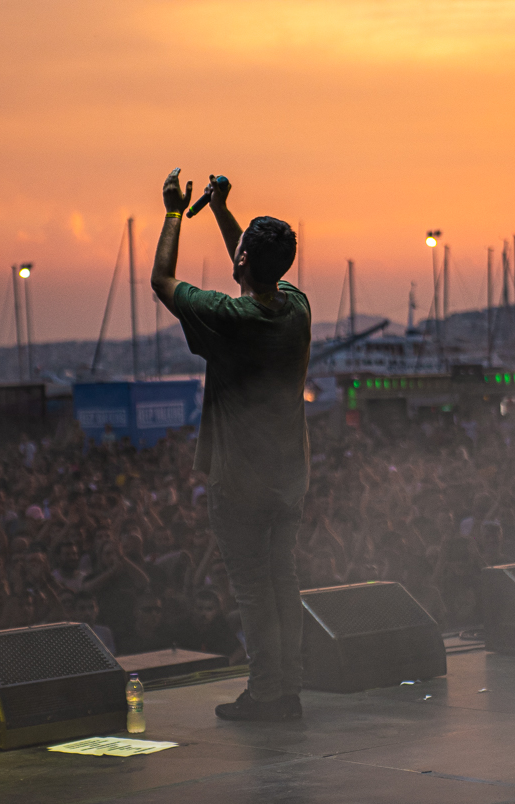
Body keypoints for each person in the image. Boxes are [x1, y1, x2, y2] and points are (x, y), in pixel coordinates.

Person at [151, 168, 311, 721]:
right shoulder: (297, 307)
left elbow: (162, 280)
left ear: (242, 259)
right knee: (283, 581)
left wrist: (175, 213)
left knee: (254, 590)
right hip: (290, 478)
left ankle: (265, 695)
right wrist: (221, 211)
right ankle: (288, 690)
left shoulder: (229, 319)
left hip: (241, 484)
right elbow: (253, 272)